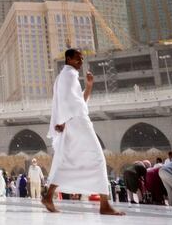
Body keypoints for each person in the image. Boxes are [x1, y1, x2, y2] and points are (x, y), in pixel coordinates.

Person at [41, 49, 123, 216]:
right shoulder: (69, 75)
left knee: (69, 159)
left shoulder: (64, 76)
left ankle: (49, 196)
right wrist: (63, 121)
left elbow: (75, 101)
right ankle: (104, 205)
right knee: (98, 157)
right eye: (78, 59)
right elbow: (70, 103)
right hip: (78, 122)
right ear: (68, 58)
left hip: (72, 121)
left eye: (82, 59)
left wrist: (89, 86)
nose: (81, 62)